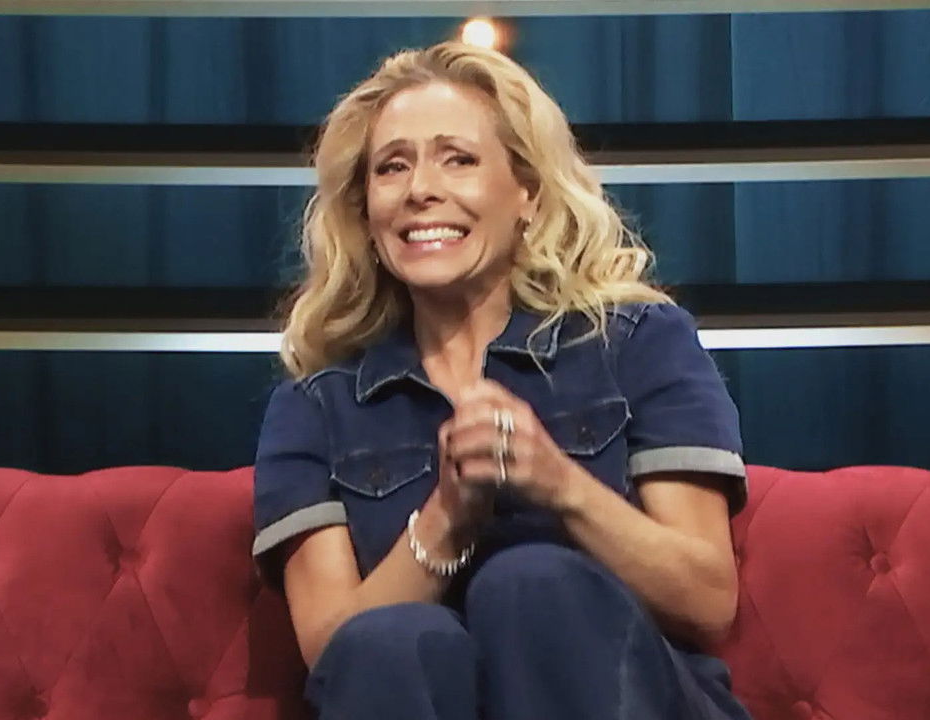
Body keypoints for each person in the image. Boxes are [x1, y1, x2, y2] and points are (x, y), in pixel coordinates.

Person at [251, 41, 752, 720]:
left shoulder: (636, 343)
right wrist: (447, 519)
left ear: (527, 194)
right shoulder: (314, 405)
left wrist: (559, 484)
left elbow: (707, 599)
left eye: (457, 158)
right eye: (392, 166)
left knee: (529, 582)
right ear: (366, 214)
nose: (420, 189)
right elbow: (333, 653)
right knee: (387, 644)